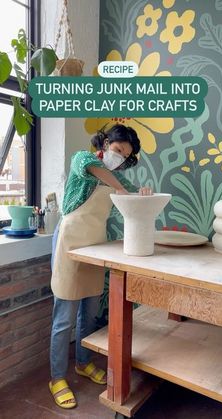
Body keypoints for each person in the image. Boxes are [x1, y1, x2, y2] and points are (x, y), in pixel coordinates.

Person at [49, 124, 152, 409]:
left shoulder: (116, 179)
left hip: (95, 246)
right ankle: (57, 377)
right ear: (106, 143)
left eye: (125, 156)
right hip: (69, 243)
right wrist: (123, 188)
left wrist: (142, 192)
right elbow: (103, 174)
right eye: (118, 150)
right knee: (64, 319)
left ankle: (83, 363)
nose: (119, 158)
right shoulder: (83, 159)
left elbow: (133, 195)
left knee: (90, 314)